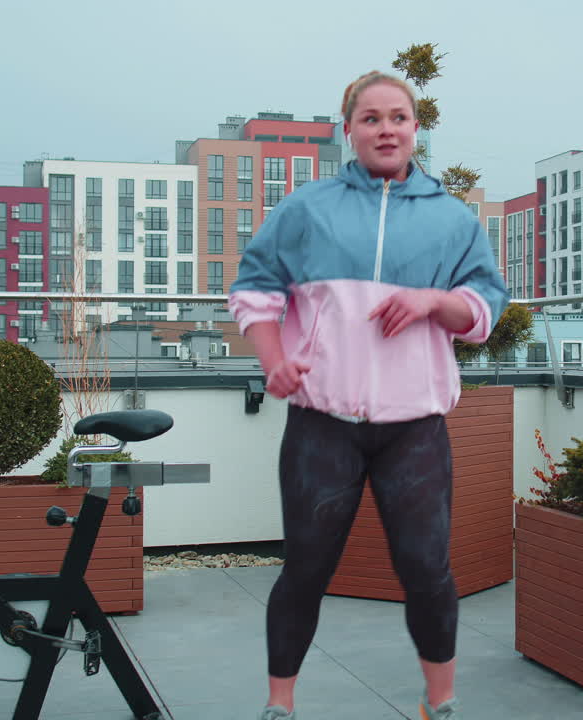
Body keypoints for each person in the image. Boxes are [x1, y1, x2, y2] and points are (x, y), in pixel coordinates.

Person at [229, 70, 509, 720]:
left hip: (414, 429)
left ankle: (440, 705)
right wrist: (274, 362)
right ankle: (279, 707)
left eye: (399, 117)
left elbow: (486, 306)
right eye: (371, 117)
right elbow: (255, 288)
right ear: (349, 130)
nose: (386, 128)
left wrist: (434, 300)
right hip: (321, 424)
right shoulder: (308, 209)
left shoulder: (452, 219)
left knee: (427, 571)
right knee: (305, 569)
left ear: (416, 129)